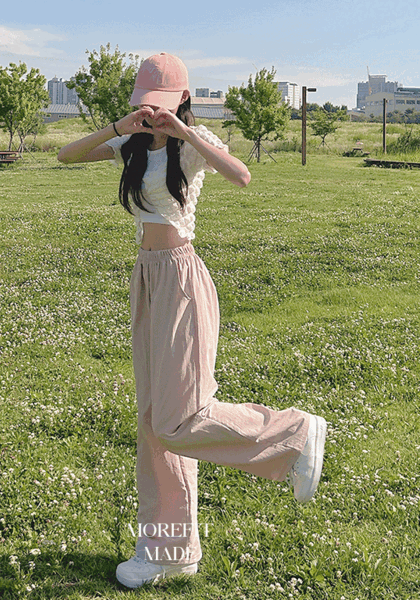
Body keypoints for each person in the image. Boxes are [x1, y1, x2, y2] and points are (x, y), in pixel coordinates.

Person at [58, 52, 327, 589]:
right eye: (145, 105)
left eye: (161, 105)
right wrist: (120, 127)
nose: (153, 114)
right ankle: (169, 550)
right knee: (153, 422)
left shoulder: (191, 143)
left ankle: (295, 432)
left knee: (179, 419)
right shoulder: (132, 145)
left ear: (182, 98)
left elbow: (241, 176)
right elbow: (67, 155)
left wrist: (184, 130)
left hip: (181, 278)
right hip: (146, 279)